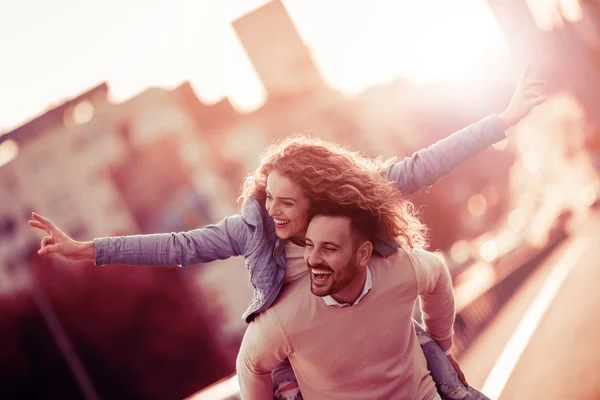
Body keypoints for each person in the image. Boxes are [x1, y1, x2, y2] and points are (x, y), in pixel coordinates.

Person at [29, 65, 544, 399]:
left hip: (380, 343)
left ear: (320, 200)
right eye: (267, 196)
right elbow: (178, 246)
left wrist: (503, 119)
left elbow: (422, 165)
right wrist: (89, 250)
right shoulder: (254, 227)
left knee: (449, 380)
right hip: (301, 366)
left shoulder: (352, 211)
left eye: (285, 202)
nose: (272, 210)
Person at [237, 205, 457, 400]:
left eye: (329, 248)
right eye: (309, 245)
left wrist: (442, 349)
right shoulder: (286, 316)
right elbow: (250, 364)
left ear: (363, 254)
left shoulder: (400, 269)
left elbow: (437, 273)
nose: (312, 259)